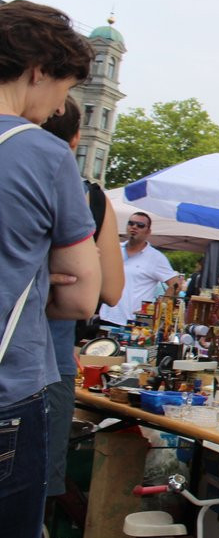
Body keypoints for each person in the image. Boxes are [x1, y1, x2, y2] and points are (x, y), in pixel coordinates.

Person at [0, 0, 102, 538]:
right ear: (37, 67)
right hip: (10, 391)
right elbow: (81, 295)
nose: (60, 106)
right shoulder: (41, 151)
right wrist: (38, 280)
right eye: (62, 86)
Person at [40, 97, 125, 500]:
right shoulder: (89, 198)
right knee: (33, 492)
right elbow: (108, 292)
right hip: (48, 357)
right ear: (75, 140)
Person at [98, 212, 182, 326]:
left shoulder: (156, 257)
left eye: (140, 225)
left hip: (133, 323)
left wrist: (157, 310)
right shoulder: (114, 249)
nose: (134, 227)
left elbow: (176, 285)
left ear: (148, 232)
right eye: (131, 223)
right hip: (106, 317)